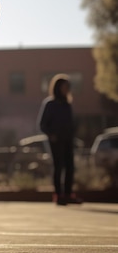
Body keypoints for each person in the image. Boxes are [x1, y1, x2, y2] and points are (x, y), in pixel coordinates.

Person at [38, 74, 83, 206]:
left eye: (68, 87)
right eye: (65, 87)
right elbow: (42, 124)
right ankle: (58, 195)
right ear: (58, 88)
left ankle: (68, 194)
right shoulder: (50, 104)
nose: (67, 89)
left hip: (68, 139)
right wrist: (51, 135)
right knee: (58, 167)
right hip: (56, 141)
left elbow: (70, 123)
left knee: (70, 167)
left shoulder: (67, 104)